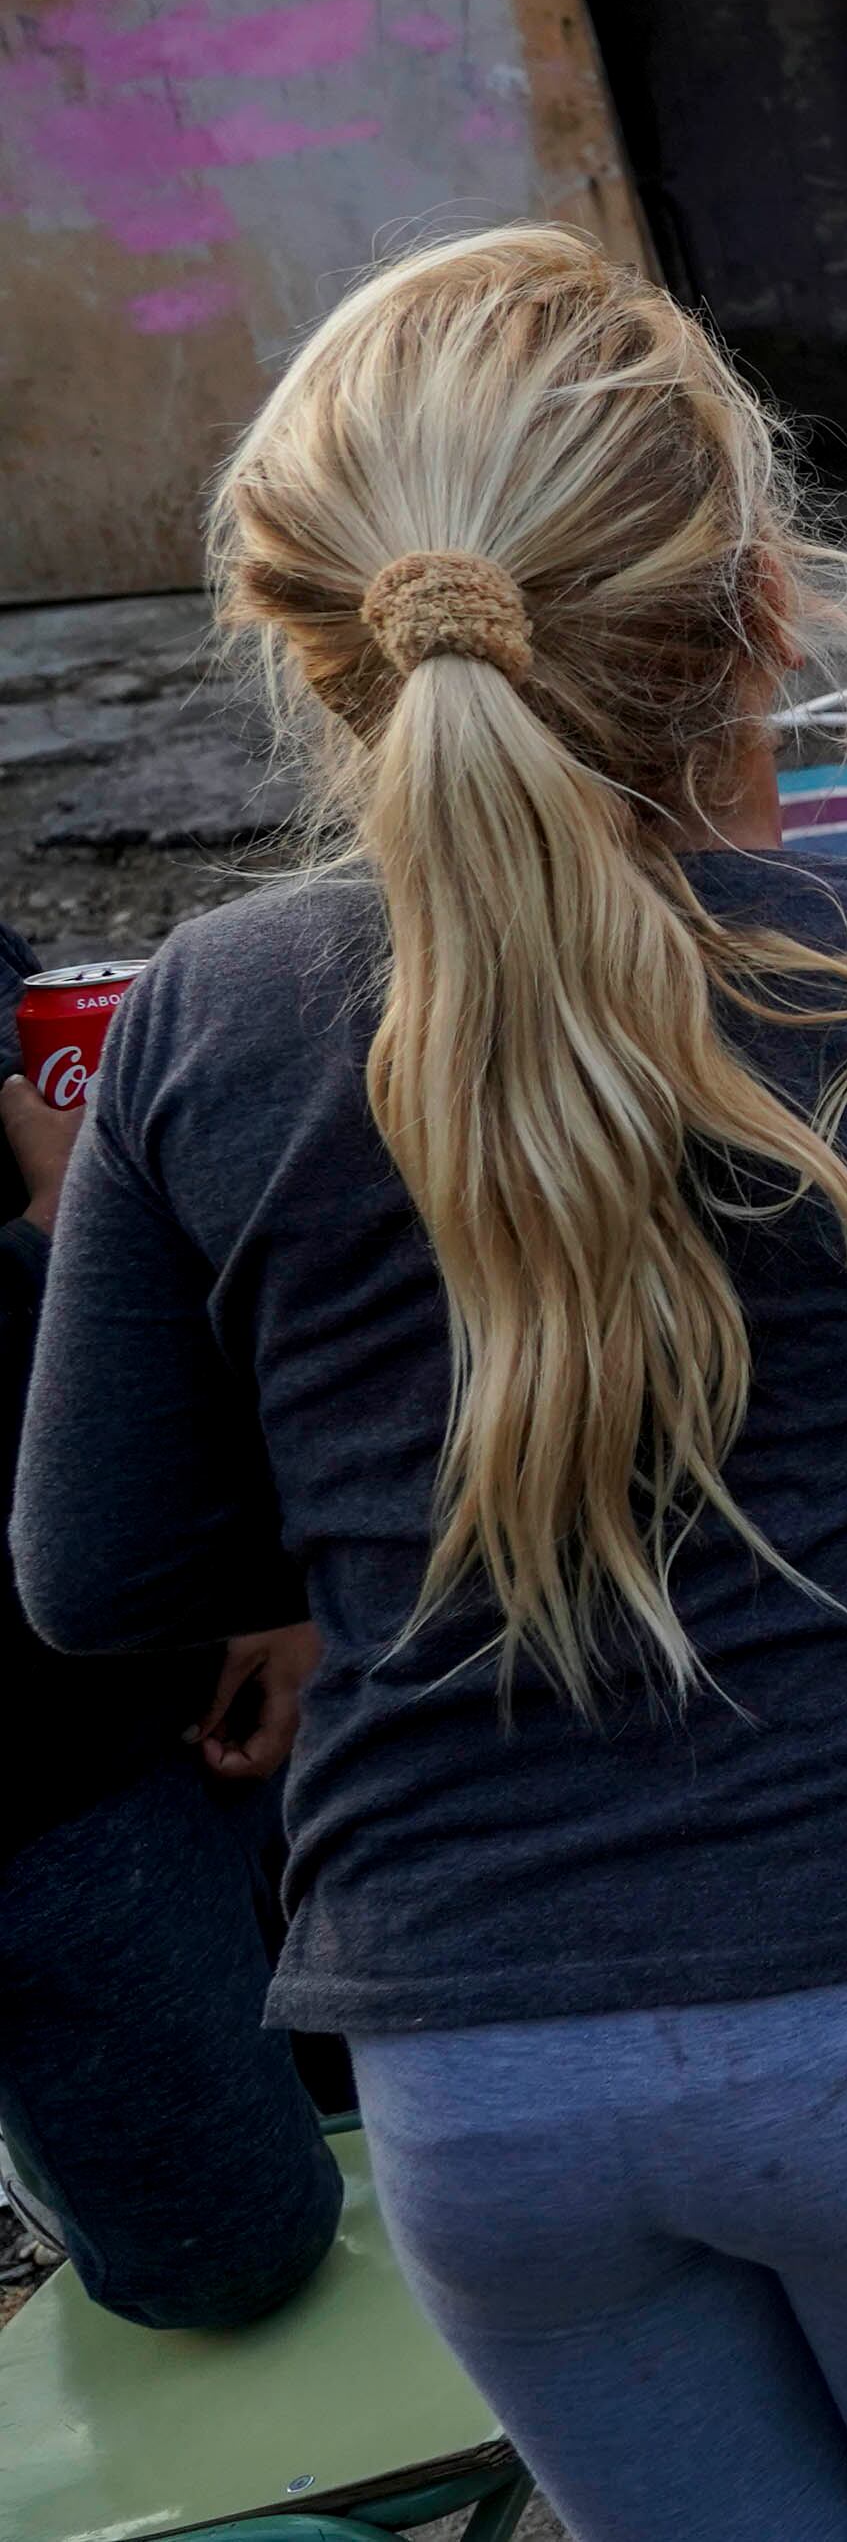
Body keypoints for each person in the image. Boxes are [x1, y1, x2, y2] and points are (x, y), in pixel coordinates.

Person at [14, 227, 847, 2536]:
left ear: (323, 644)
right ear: (759, 607)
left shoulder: (205, 1013)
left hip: (483, 2072)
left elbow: (95, 1571)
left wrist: (363, 1458)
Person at [0, 946, 338, 2333]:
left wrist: (265, 1563)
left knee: (389, 2119)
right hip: (37, 1784)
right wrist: (51, 1239)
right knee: (235, 2267)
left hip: (195, 1651)